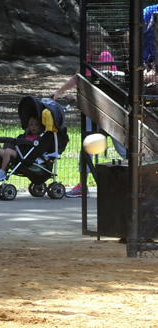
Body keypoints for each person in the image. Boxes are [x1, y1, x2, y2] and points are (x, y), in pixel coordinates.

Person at [51, 24, 126, 198]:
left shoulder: (105, 57)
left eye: (88, 42)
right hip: (90, 110)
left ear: (95, 42)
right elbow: (77, 79)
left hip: (108, 111)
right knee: (87, 147)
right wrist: (59, 92)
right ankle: (82, 185)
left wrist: (82, 97)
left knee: (121, 146)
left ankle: (134, 182)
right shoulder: (86, 58)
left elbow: (108, 86)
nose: (86, 46)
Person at [0, 116, 44, 181]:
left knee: (7, 151)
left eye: (36, 125)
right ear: (28, 127)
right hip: (17, 153)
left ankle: (3, 172)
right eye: (31, 125)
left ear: (40, 127)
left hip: (25, 156)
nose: (33, 127)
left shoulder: (38, 139)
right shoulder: (25, 136)